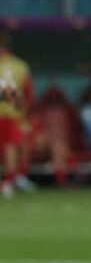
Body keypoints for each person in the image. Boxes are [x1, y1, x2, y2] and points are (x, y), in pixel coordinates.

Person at [0, 32, 33, 198]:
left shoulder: (17, 66)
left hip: (7, 114)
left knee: (11, 147)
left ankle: (10, 180)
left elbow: (13, 92)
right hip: (14, 113)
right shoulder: (20, 66)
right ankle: (12, 179)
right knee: (11, 147)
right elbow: (25, 95)